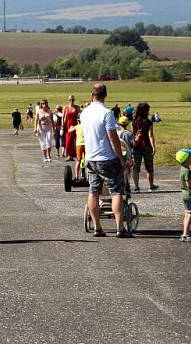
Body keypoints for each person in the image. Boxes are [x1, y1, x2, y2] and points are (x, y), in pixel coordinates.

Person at [80, 83, 132, 238]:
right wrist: (121, 159)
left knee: (93, 192)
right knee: (116, 192)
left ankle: (97, 227)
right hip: (106, 158)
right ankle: (119, 228)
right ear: (105, 95)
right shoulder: (107, 113)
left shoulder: (84, 113)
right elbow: (113, 138)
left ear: (92, 95)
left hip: (90, 157)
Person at [131, 102, 158, 193]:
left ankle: (136, 187)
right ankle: (151, 186)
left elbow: (133, 133)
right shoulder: (148, 122)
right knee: (149, 167)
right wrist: (153, 146)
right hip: (147, 146)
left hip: (136, 146)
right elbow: (150, 135)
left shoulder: (134, 121)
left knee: (136, 168)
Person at [33, 99, 54, 163]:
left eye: (45, 103)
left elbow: (52, 120)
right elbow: (36, 120)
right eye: (43, 103)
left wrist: (54, 128)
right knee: (43, 143)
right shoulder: (39, 111)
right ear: (41, 105)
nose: (44, 105)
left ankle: (49, 156)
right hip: (41, 129)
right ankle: (44, 156)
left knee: (48, 142)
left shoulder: (49, 111)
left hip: (48, 129)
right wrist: (35, 128)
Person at [62, 94, 80, 161]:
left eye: (73, 100)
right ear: (68, 100)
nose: (71, 101)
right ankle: (69, 155)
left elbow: (79, 116)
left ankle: (75, 155)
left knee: (75, 141)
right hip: (68, 126)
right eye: (70, 100)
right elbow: (63, 117)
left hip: (75, 125)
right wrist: (62, 126)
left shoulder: (77, 107)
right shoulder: (66, 107)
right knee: (68, 141)